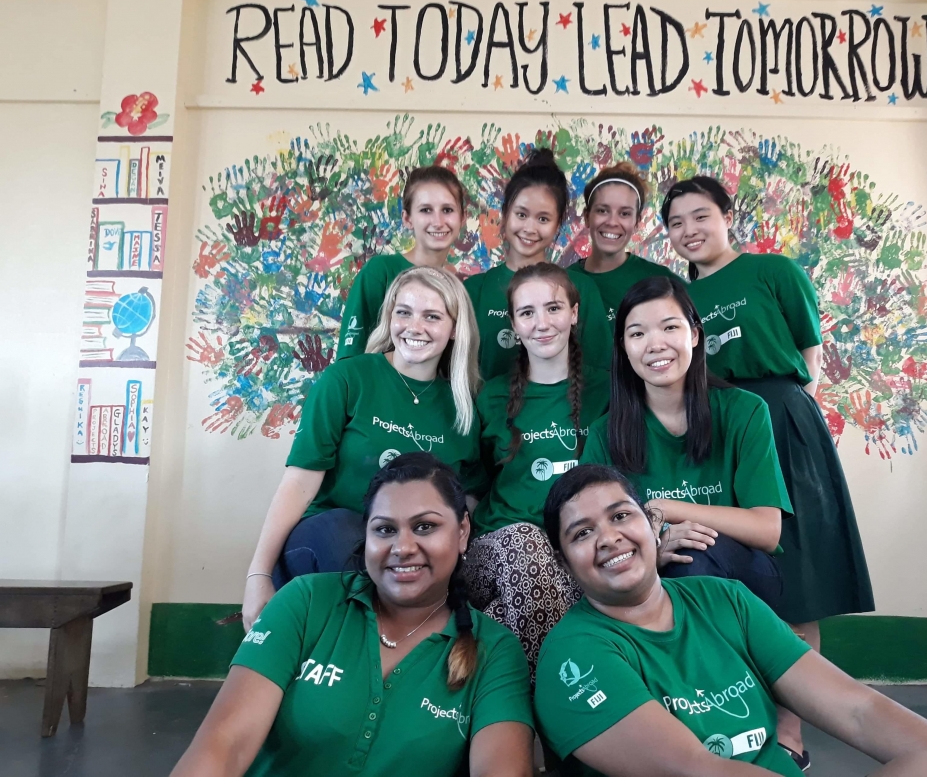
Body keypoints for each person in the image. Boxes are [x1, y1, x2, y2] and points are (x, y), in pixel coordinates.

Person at [533, 464, 927, 777]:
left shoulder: (722, 600)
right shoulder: (574, 653)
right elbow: (695, 770)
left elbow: (857, 708)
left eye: (621, 516)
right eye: (582, 532)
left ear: (650, 524)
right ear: (563, 562)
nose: (609, 538)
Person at [663, 176, 875, 767]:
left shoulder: (776, 272)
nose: (689, 231)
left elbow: (808, 358)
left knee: (796, 575)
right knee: (725, 565)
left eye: (700, 216)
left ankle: (792, 732)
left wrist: (783, 412)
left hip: (781, 419)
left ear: (726, 215)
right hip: (714, 426)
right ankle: (730, 720)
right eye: (676, 223)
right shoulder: (679, 297)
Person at [172, 453, 535, 777]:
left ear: (462, 532)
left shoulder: (494, 651)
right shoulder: (305, 602)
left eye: (425, 526)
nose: (403, 547)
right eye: (385, 529)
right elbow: (224, 744)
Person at [241, 266, 487, 631]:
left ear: (454, 329)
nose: (414, 326)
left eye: (431, 316)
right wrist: (258, 574)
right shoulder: (347, 378)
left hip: (416, 547)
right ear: (390, 318)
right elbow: (298, 484)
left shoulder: (465, 404)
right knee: (362, 545)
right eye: (403, 312)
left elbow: (466, 501)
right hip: (331, 535)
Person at [580, 275, 790, 609]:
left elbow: (767, 530)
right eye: (637, 334)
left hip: (745, 575)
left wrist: (668, 509)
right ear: (623, 347)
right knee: (678, 562)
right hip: (652, 581)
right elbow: (592, 540)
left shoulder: (745, 411)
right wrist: (656, 550)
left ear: (693, 335)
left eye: (669, 328)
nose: (655, 344)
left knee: (693, 554)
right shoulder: (604, 433)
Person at [465, 263, 610, 672]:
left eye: (553, 308)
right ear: (513, 322)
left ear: (574, 313)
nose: (541, 323)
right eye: (527, 313)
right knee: (528, 544)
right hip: (498, 549)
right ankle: (560, 696)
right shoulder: (491, 396)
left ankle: (506, 703)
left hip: (577, 549)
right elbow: (472, 488)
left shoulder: (609, 390)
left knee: (503, 620)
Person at [464, 148, 612, 381]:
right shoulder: (473, 291)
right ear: (505, 215)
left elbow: (601, 374)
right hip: (490, 416)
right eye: (521, 215)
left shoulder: (582, 288)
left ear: (557, 226)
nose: (530, 228)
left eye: (543, 219)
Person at [337, 165, 469, 359]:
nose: (438, 221)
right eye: (425, 210)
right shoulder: (380, 272)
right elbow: (348, 357)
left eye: (447, 210)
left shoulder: (456, 288)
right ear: (407, 218)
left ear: (463, 217)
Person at [567, 163, 675, 327]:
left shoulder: (661, 281)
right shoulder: (564, 283)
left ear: (637, 222)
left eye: (624, 214)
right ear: (587, 217)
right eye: (603, 211)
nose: (612, 222)